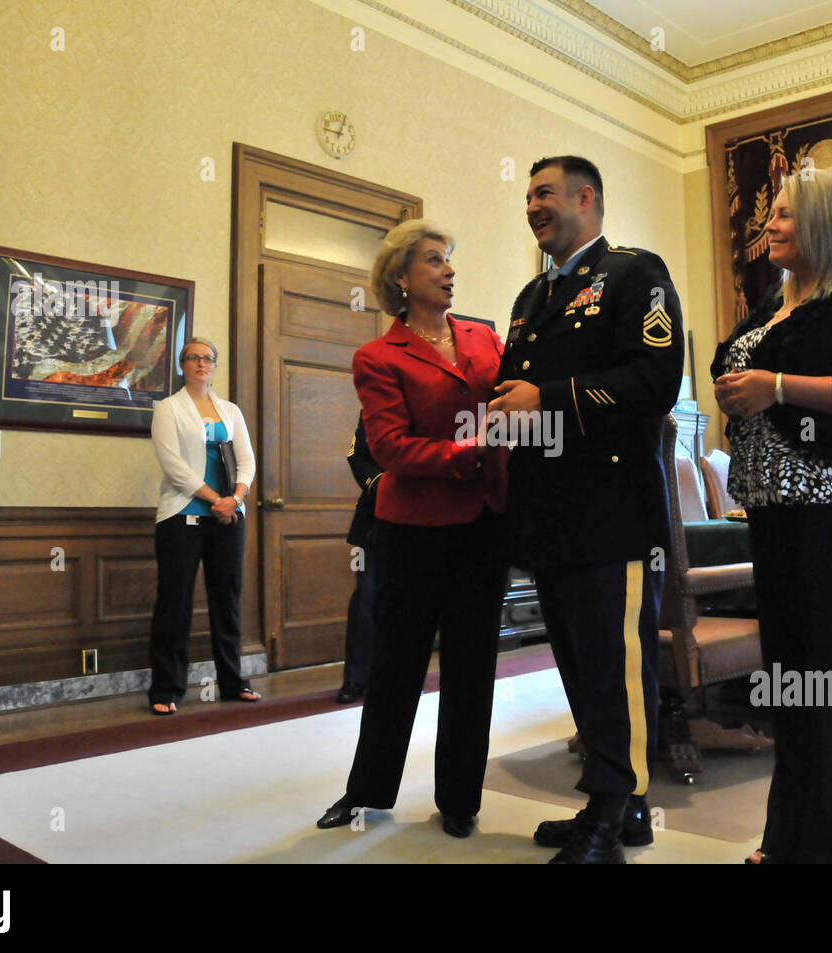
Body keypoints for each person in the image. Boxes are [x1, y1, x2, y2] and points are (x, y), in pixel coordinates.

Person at [490, 156, 684, 863]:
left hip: (613, 511)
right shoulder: (528, 299)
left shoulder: (636, 274)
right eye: (528, 197)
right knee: (577, 665)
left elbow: (655, 378)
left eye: (544, 193)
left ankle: (616, 807)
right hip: (549, 513)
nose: (533, 206)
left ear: (587, 197)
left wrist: (545, 400)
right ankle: (613, 805)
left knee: (616, 666)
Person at [711, 169, 832, 864]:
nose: (770, 224)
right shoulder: (772, 301)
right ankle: (786, 839)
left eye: (786, 214)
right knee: (791, 683)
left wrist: (774, 386)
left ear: (825, 222)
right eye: (770, 212)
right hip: (772, 512)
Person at [316, 220, 509, 839]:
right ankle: (367, 791)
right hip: (411, 531)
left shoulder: (484, 337)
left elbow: (512, 403)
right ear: (401, 278)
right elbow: (390, 447)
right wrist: (469, 454)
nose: (449, 271)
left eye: (449, 260)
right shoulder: (377, 356)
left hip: (483, 525)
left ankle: (459, 798)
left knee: (472, 664)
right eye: (433, 261)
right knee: (396, 665)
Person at [148, 337, 259, 714]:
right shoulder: (168, 408)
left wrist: (236, 498)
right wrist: (216, 499)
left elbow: (246, 460)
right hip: (182, 517)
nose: (200, 363)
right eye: (192, 358)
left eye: (207, 358)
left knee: (227, 600)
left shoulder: (230, 410)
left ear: (214, 365)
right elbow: (172, 465)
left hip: (229, 517)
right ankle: (166, 689)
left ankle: (232, 682)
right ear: (182, 365)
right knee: (174, 603)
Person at [338, 412, 382, 704]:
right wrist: (379, 484)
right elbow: (356, 455)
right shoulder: (372, 408)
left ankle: (394, 677)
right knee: (365, 599)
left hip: (417, 516)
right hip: (372, 522)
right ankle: (355, 679)